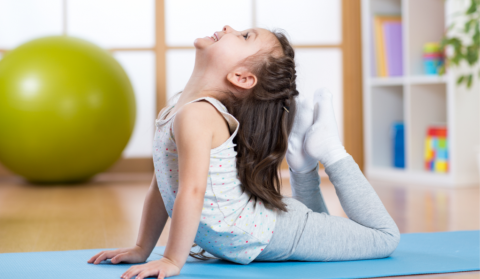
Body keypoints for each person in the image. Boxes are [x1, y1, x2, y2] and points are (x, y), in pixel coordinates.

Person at [87, 25, 400, 279]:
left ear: (242, 77)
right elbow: (164, 186)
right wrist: (143, 247)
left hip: (276, 234)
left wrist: (170, 259)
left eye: (245, 36)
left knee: (384, 237)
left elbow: (192, 192)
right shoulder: (178, 107)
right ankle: (303, 164)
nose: (229, 27)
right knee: (325, 228)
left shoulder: (197, 116)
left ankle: (329, 149)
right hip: (264, 229)